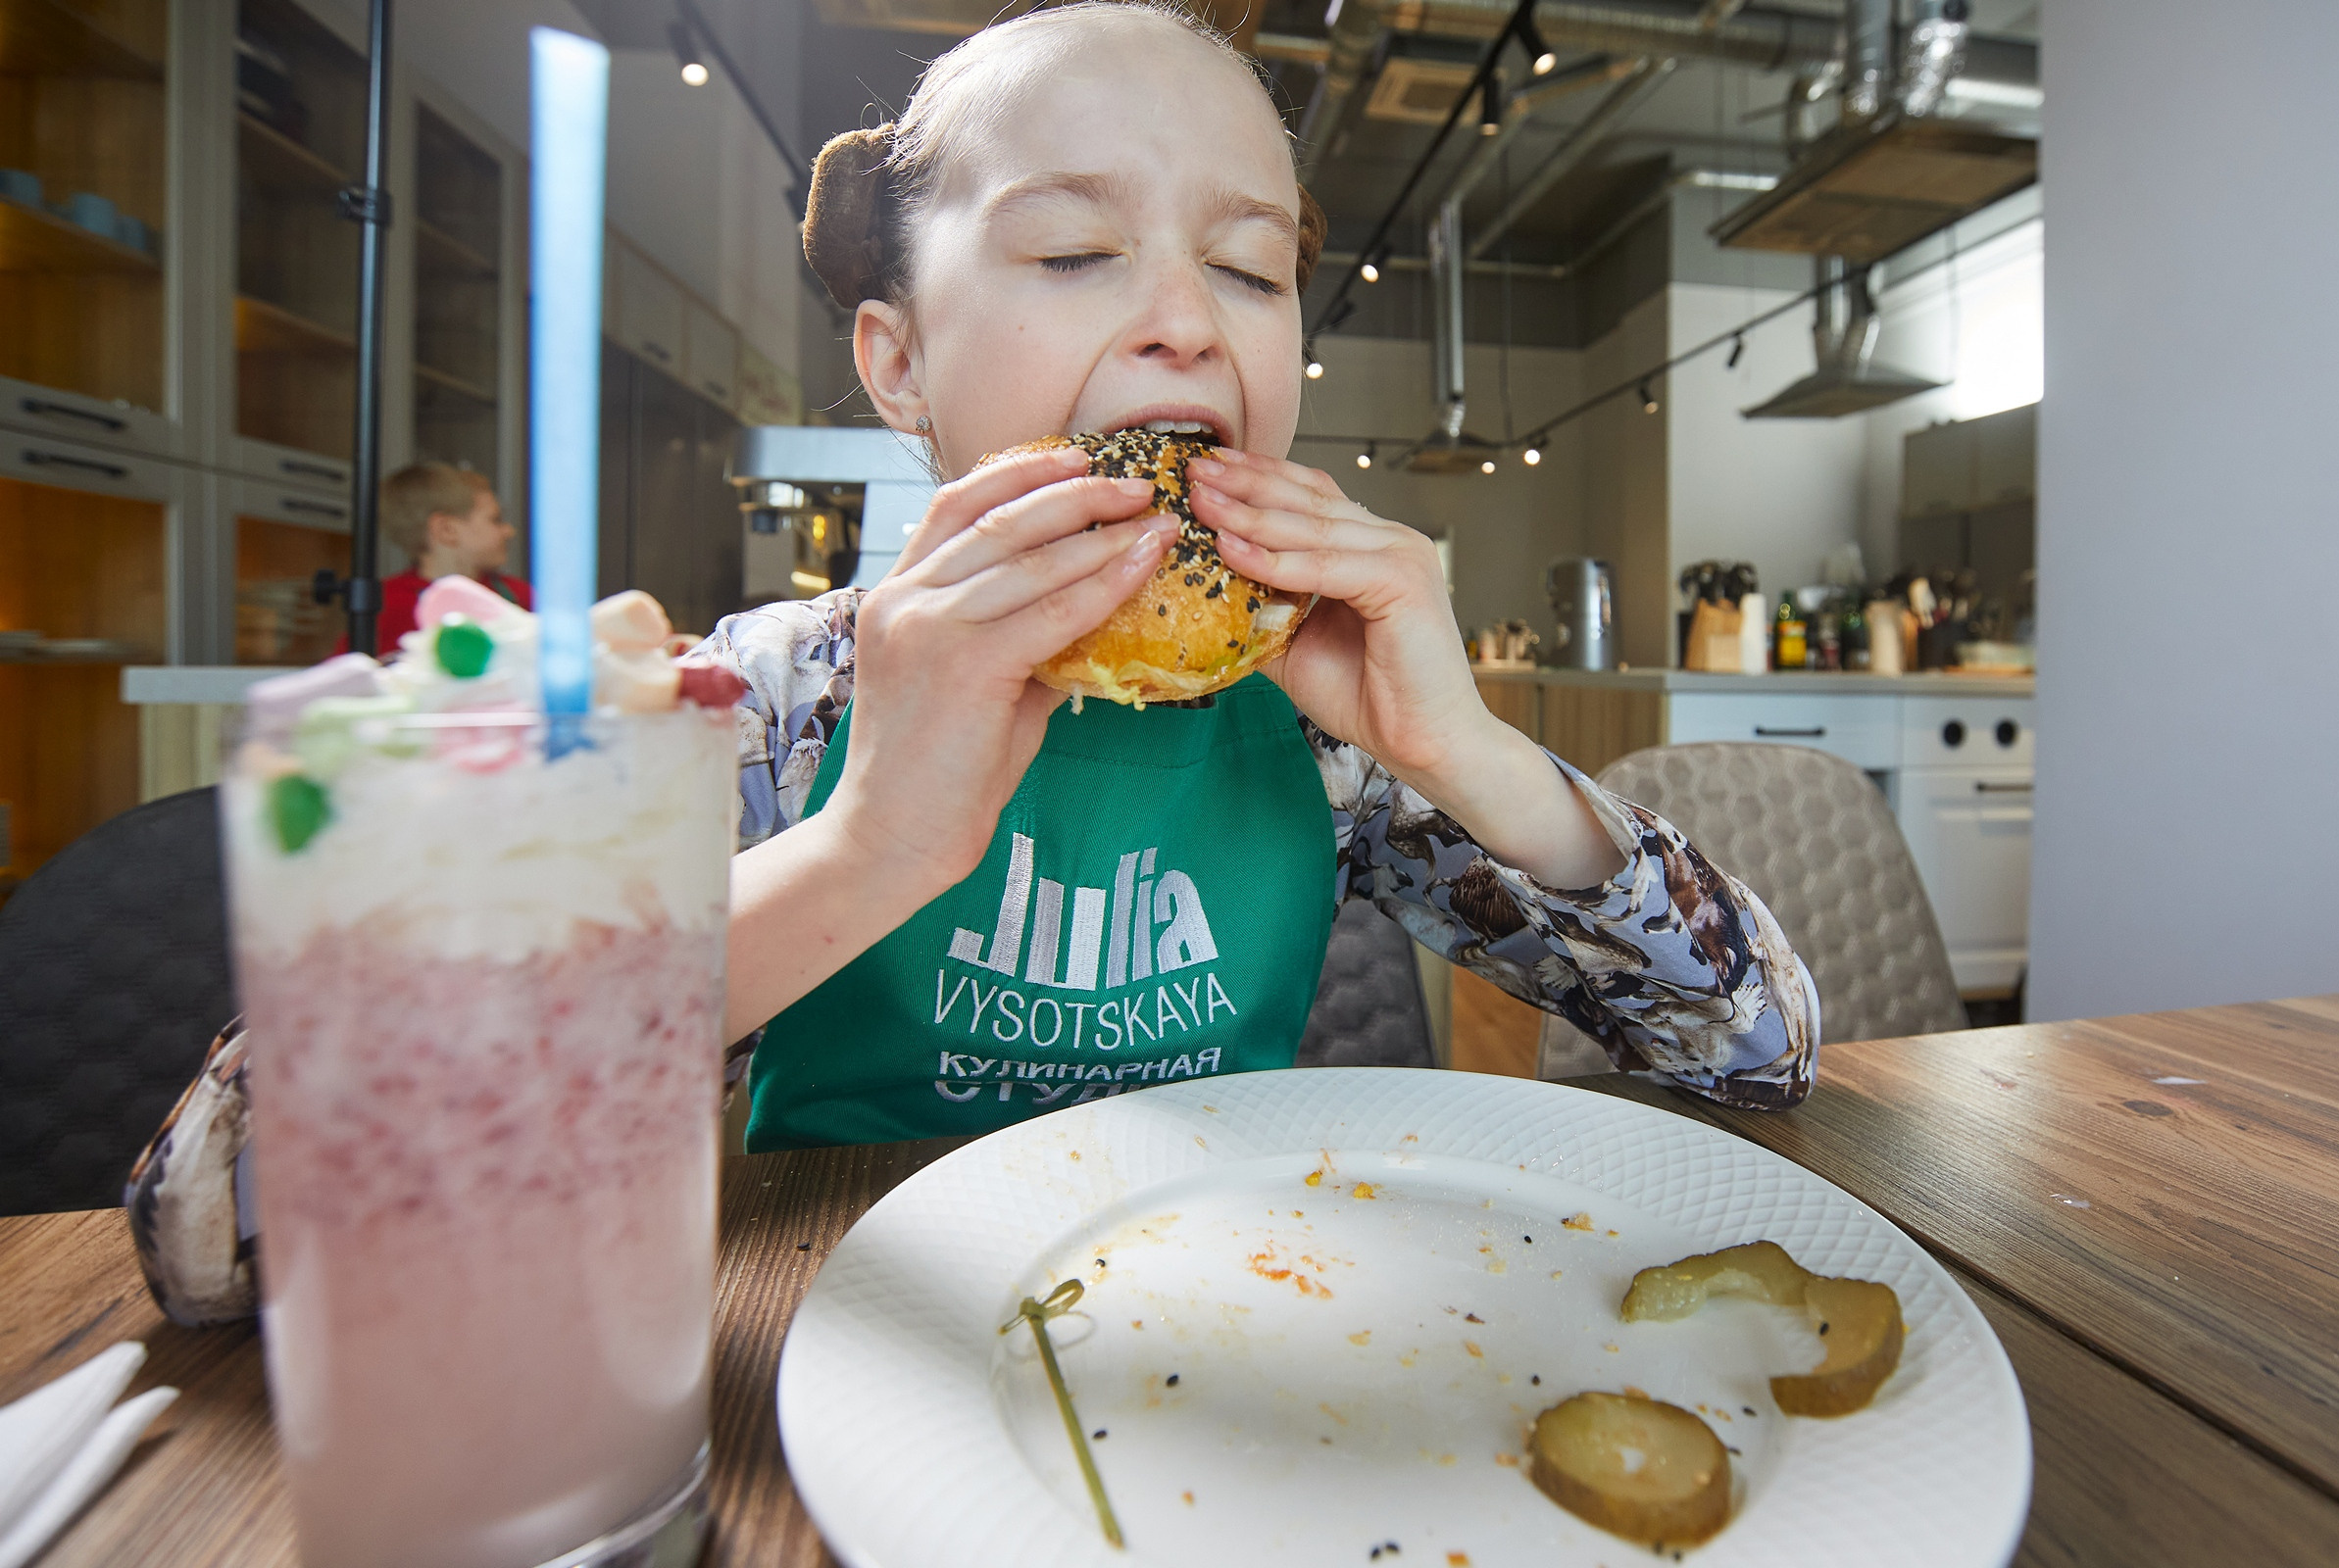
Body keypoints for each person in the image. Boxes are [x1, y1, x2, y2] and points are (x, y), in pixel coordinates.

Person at [128, 1, 1816, 1321]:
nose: (1188, 320)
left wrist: (1475, 757)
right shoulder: (750, 703)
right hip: (810, 1365)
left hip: (1232, 1354)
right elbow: (229, 1218)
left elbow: (1757, 1050)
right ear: (898, 360)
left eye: (1252, 265)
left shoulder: (1323, 737)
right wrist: (867, 849)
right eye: (1076, 251)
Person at [370, 462, 530, 653]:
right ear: (447, 529)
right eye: (495, 520)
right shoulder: (387, 606)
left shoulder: (520, 595)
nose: (509, 531)